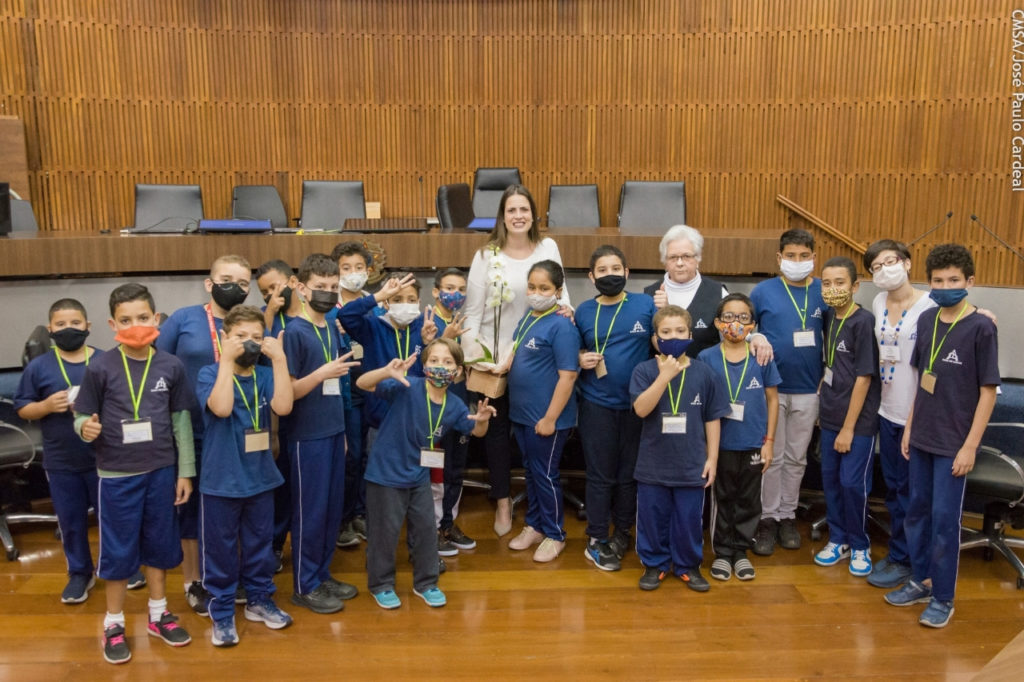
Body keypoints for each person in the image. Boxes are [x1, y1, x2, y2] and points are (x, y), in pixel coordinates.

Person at [73, 283, 197, 664]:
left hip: (161, 471)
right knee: (119, 549)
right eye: (126, 320)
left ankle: (158, 615)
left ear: (156, 319)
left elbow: (181, 422)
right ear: (112, 324)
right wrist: (84, 428)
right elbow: (81, 415)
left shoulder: (171, 366)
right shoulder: (101, 366)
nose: (136, 325)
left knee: (160, 545)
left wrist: (185, 471)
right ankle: (113, 623)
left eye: (143, 318)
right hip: (116, 474)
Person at [885, 244, 999, 628]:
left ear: (969, 282)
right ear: (929, 281)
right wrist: (911, 426)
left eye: (954, 280)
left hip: (954, 444)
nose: (945, 285)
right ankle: (921, 579)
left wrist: (970, 446)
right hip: (921, 438)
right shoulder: (929, 318)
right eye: (938, 280)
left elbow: (987, 392)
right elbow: (921, 379)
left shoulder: (982, 327)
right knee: (916, 513)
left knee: (945, 522)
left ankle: (944, 597)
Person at [462, 184, 571, 537]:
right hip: (493, 363)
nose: (518, 216)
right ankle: (504, 501)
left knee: (533, 434)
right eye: (511, 210)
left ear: (533, 214)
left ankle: (540, 512)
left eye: (524, 209)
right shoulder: (486, 255)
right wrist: (478, 360)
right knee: (496, 434)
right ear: (502, 216)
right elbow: (472, 316)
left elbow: (562, 299)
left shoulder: (548, 247)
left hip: (536, 361)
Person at [356, 339, 496, 610]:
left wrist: (483, 420)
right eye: (434, 361)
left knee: (425, 531)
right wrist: (387, 371)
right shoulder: (407, 386)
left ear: (457, 371)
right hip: (386, 475)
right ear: (424, 366)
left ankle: (426, 583)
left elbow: (476, 432)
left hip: (419, 477)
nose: (440, 367)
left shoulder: (454, 406)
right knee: (385, 534)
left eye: (447, 362)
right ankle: (381, 585)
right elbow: (363, 383)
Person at [156, 254, 253, 613]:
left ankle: (228, 573)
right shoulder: (184, 319)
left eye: (244, 283)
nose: (235, 287)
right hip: (192, 431)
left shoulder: (252, 323)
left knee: (235, 507)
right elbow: (158, 368)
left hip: (237, 431)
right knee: (192, 508)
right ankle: (193, 580)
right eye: (227, 279)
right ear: (209, 283)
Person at [196, 305, 295, 647]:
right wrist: (226, 361)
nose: (250, 343)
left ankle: (259, 599)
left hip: (260, 477)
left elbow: (283, 407)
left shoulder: (266, 375)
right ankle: (222, 612)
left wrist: (279, 360)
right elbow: (221, 408)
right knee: (221, 551)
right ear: (225, 338)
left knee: (260, 545)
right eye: (241, 337)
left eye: (257, 337)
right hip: (221, 480)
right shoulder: (209, 373)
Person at [15, 299, 111, 603]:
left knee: (114, 517)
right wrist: (45, 406)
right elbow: (22, 409)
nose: (68, 329)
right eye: (60, 324)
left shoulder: (107, 360)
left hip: (106, 458)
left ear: (88, 326)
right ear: (50, 329)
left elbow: (124, 403)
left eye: (75, 323)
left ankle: (118, 567)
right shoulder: (39, 366)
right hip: (61, 460)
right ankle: (80, 574)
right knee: (71, 522)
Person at [630, 305, 730, 592]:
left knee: (688, 519)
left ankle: (687, 565)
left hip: (692, 464)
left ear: (690, 334)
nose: (673, 336)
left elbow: (712, 418)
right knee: (652, 517)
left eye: (679, 331)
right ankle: (655, 564)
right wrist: (664, 377)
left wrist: (712, 458)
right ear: (655, 338)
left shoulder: (705, 373)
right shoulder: (644, 370)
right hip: (652, 464)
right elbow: (640, 409)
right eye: (665, 332)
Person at [281, 253, 360, 614]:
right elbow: (288, 393)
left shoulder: (329, 326)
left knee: (330, 511)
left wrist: (342, 432)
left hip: (332, 432)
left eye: (332, 288)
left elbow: (338, 389)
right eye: (320, 288)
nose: (327, 294)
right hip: (305, 437)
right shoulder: (293, 333)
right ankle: (304, 585)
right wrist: (321, 374)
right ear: (300, 288)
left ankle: (321, 573)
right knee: (309, 512)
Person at [575, 245, 656, 571]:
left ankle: (623, 532)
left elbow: (663, 339)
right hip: (597, 404)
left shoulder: (646, 305)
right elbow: (575, 348)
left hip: (637, 406)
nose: (610, 274)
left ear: (627, 272)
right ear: (591, 276)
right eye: (603, 270)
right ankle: (596, 536)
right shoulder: (581, 311)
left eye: (616, 268)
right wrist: (581, 357)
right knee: (599, 475)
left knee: (629, 475)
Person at [750, 228, 825, 555]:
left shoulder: (825, 290)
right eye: (791, 256)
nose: (797, 261)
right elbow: (743, 327)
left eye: (804, 256)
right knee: (772, 457)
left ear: (813, 258)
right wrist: (756, 337)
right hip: (772, 390)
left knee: (797, 458)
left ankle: (787, 515)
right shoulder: (763, 291)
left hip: (810, 390)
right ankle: (766, 517)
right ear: (779, 258)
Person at [698, 293, 780, 582]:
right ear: (718, 322)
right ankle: (722, 552)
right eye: (729, 317)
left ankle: (741, 550)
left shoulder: (762, 356)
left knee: (748, 498)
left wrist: (769, 442)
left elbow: (772, 400)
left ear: (753, 325)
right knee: (723, 497)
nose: (736, 323)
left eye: (743, 318)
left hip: (754, 443)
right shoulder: (706, 357)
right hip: (720, 445)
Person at [505, 261, 580, 563]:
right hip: (522, 414)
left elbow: (568, 376)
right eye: (532, 287)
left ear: (558, 291)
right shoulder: (528, 316)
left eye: (544, 288)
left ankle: (555, 533)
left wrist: (550, 419)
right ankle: (535, 524)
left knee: (545, 475)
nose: (536, 293)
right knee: (531, 473)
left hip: (547, 418)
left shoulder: (562, 325)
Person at [812, 257, 881, 577]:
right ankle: (838, 538)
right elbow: (830, 366)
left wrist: (848, 429)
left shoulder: (862, 322)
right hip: (829, 414)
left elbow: (864, 378)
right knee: (831, 481)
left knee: (853, 483)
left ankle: (860, 543)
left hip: (857, 422)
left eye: (840, 283)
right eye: (826, 283)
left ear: (855, 286)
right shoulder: (828, 316)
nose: (833, 289)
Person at [646, 224, 773, 361]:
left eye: (686, 256)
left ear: (698, 259)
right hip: (661, 376)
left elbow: (736, 330)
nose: (680, 263)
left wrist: (757, 337)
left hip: (706, 376)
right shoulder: (649, 294)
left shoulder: (718, 293)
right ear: (665, 262)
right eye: (673, 257)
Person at [255, 259, 305, 571]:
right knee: (281, 487)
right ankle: (274, 544)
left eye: (277, 286)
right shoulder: (269, 323)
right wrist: (269, 315)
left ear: (294, 281)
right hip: (280, 419)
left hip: (312, 413)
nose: (273, 294)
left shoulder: (315, 316)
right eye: (265, 292)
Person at [329, 241, 377, 548]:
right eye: (346, 268)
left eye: (359, 267)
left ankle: (360, 511)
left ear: (369, 271)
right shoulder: (327, 304)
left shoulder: (374, 304)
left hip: (370, 388)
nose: (353, 273)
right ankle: (343, 518)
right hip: (340, 392)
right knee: (349, 456)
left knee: (367, 456)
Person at [426, 268, 477, 556]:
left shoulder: (468, 322)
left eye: (461, 289)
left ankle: (448, 524)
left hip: (461, 401)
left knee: (456, 469)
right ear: (435, 291)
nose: (454, 294)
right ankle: (430, 529)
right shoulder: (426, 322)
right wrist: (442, 339)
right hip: (434, 410)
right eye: (448, 288)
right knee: (435, 472)